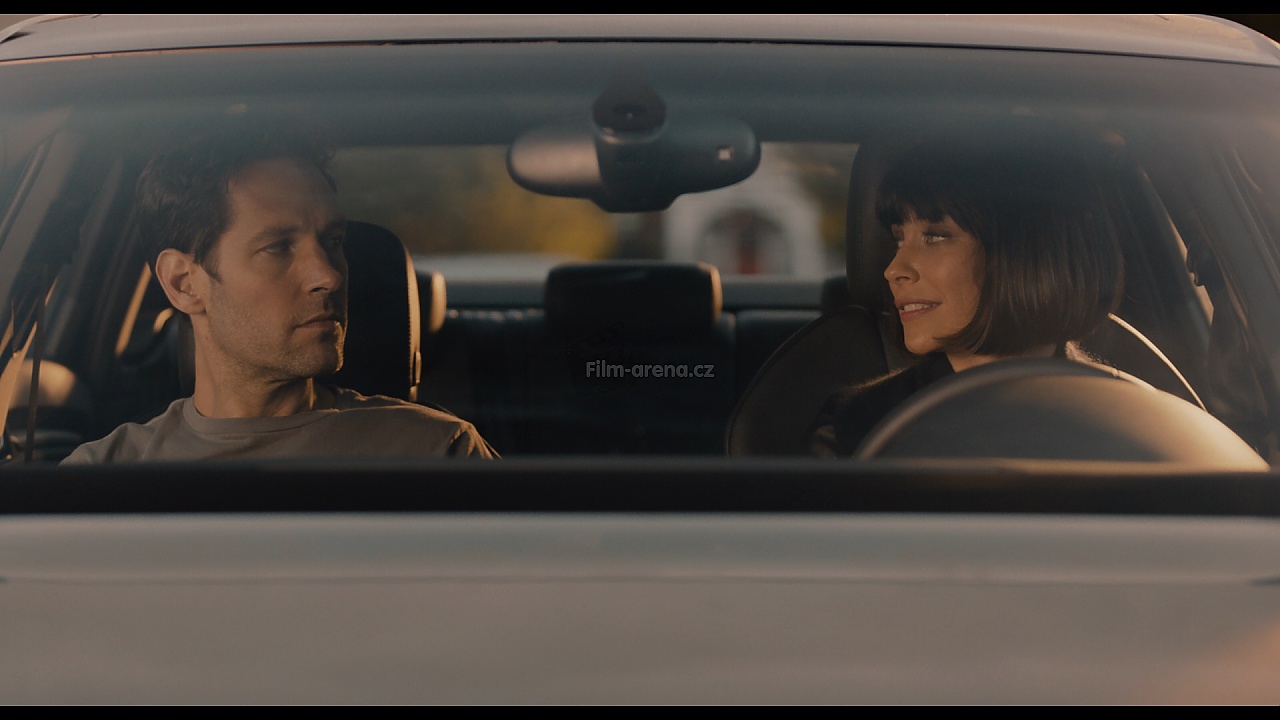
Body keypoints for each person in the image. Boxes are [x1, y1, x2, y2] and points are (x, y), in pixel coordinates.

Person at [63, 121, 497, 463]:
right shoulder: (103, 477)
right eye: (277, 248)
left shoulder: (436, 452)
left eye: (334, 241)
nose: (329, 275)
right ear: (183, 283)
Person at [809, 129, 1124, 458]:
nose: (893, 270)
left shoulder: (1134, 413)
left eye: (935, 237)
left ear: (1024, 255)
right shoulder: (856, 428)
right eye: (898, 240)